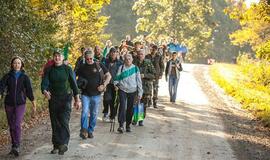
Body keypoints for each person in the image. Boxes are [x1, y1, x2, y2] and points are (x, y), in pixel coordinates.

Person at [41, 50, 81, 155]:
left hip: (66, 98)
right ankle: (56, 145)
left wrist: (77, 99)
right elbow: (44, 83)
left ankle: (63, 144)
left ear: (62, 58)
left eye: (59, 56)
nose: (57, 58)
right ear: (53, 58)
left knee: (64, 121)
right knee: (55, 123)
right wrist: (45, 91)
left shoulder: (68, 69)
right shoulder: (49, 70)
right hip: (53, 99)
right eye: (55, 56)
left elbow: (74, 85)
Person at [0, 56, 36, 157]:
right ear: (12, 64)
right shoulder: (7, 76)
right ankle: (13, 145)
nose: (17, 65)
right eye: (15, 63)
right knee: (11, 125)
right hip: (9, 103)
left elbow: (29, 90)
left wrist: (33, 102)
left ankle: (17, 145)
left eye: (19, 63)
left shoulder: (25, 77)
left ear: (22, 65)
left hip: (21, 103)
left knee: (17, 124)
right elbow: (1, 86)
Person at [77, 50, 111, 139]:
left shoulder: (98, 65)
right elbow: (73, 76)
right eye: (87, 59)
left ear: (93, 57)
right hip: (85, 94)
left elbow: (109, 75)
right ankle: (84, 130)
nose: (89, 60)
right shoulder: (82, 67)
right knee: (84, 112)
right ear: (85, 58)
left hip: (96, 94)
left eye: (91, 58)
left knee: (94, 113)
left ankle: (90, 130)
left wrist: (104, 85)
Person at [114, 53, 143, 133]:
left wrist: (140, 93)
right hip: (122, 89)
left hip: (132, 91)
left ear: (132, 60)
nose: (128, 60)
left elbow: (139, 82)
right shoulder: (121, 67)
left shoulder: (136, 68)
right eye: (126, 59)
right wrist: (116, 84)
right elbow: (117, 78)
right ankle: (121, 125)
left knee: (130, 108)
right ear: (124, 60)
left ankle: (128, 125)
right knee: (122, 106)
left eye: (129, 59)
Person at [134, 49, 155, 126]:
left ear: (144, 55)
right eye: (139, 54)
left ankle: (140, 119)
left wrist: (145, 75)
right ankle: (136, 118)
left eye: (142, 54)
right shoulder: (134, 63)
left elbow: (153, 74)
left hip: (145, 87)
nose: (140, 55)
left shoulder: (148, 63)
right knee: (136, 102)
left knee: (143, 104)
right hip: (135, 86)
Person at [102, 47, 122, 122]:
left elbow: (121, 74)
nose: (113, 53)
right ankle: (105, 113)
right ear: (109, 53)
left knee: (114, 101)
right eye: (112, 52)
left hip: (116, 84)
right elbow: (101, 71)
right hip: (107, 83)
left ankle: (112, 116)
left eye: (115, 52)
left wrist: (119, 84)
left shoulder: (120, 62)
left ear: (117, 53)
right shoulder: (105, 61)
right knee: (107, 99)